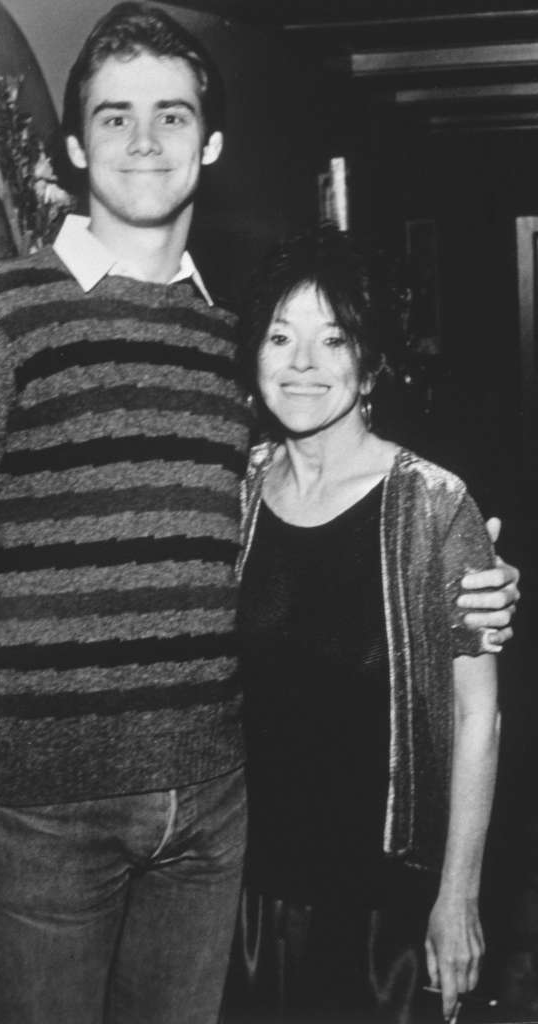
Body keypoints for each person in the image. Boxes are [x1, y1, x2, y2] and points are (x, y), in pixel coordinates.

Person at [0, 6, 517, 1024]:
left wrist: (467, 573)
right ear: (73, 144)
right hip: (44, 814)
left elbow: (312, 504)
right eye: (116, 116)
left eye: (172, 116)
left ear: (210, 145)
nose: (144, 140)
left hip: (215, 810)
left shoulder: (232, 347)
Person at [226, 228, 504, 1024]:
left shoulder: (434, 504)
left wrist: (458, 895)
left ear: (368, 360)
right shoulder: (233, 492)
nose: (301, 364)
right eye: (280, 337)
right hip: (246, 893)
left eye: (331, 339)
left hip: (382, 906)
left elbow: (477, 715)